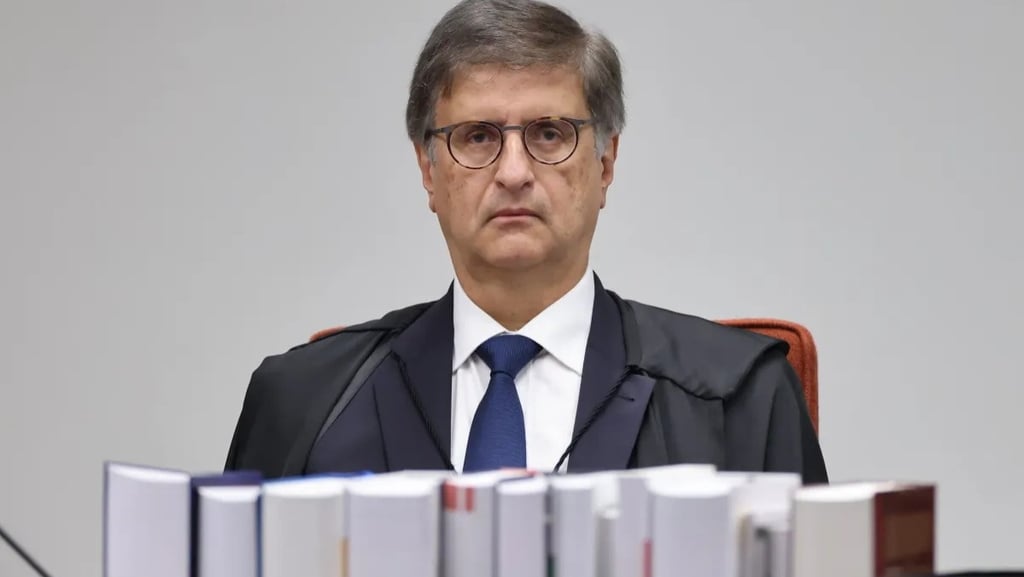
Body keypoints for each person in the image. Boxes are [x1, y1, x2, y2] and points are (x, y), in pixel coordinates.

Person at [224, 0, 828, 483]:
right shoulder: (305, 398)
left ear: (606, 163)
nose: (514, 172)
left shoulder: (737, 393)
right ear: (428, 170)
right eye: (478, 136)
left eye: (548, 132)